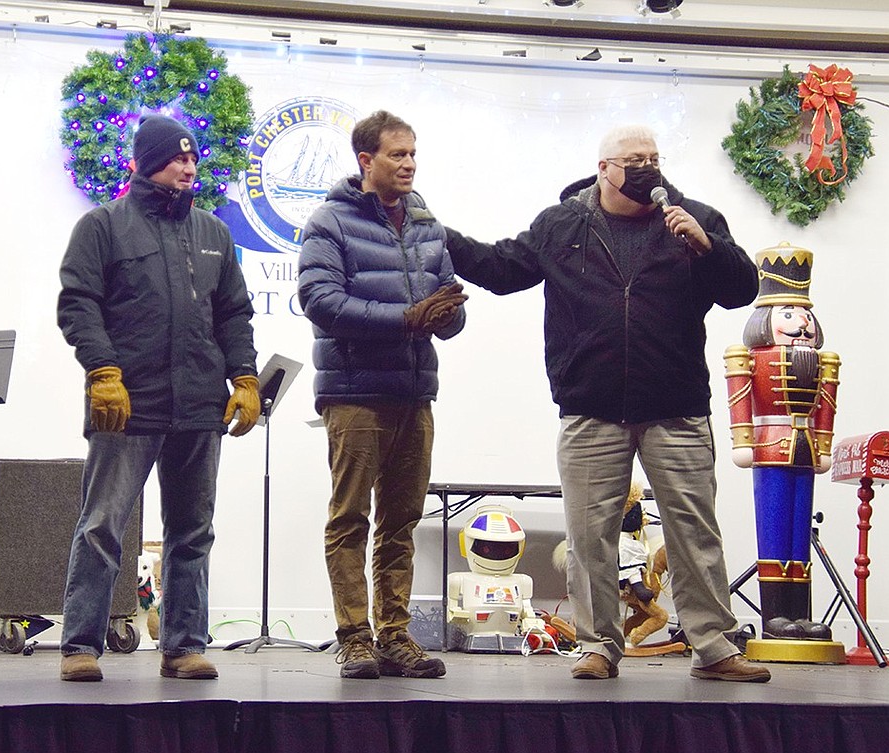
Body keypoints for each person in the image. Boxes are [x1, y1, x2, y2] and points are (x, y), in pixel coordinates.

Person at [444, 124, 771, 683]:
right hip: (590, 404)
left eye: (654, 158)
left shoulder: (695, 218)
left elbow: (743, 289)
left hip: (677, 404)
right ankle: (597, 645)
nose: (647, 168)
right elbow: (501, 270)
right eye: (632, 160)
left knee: (694, 531)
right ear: (602, 168)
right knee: (589, 536)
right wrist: (438, 234)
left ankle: (713, 645)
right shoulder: (562, 225)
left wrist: (706, 246)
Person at [57, 113, 259, 682]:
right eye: (178, 158)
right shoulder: (101, 227)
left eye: (194, 159)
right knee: (102, 527)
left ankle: (184, 646)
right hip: (127, 404)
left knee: (193, 532)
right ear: (147, 163)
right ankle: (80, 646)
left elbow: (234, 313)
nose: (190, 168)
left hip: (199, 405)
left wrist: (244, 378)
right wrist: (102, 370)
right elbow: (78, 303)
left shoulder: (214, 233)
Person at [298, 110, 468, 680]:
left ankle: (394, 635)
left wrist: (446, 316)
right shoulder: (329, 222)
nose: (410, 163)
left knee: (401, 520)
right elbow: (320, 301)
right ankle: (354, 637)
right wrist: (406, 318)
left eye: (413, 153)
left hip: (415, 393)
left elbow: (445, 305)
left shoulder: (426, 223)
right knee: (349, 518)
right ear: (365, 161)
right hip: (354, 393)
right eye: (398, 154)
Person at [724, 244, 840, 644]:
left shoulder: (823, 360)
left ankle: (800, 614)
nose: (801, 322)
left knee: (798, 531)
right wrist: (742, 441)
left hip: (805, 450)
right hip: (770, 446)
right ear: (767, 318)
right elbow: (740, 398)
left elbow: (825, 404)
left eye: (804, 314)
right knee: (773, 530)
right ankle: (775, 613)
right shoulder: (749, 356)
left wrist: (823, 446)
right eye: (789, 314)